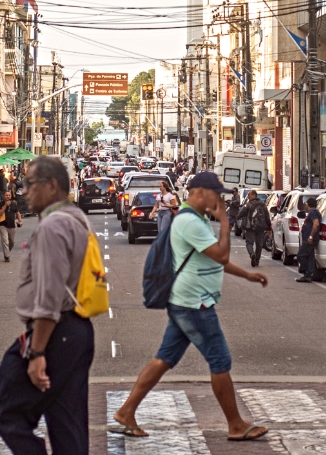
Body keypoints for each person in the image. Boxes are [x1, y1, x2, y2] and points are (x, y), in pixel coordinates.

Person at [111, 172, 269, 442]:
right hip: (195, 303)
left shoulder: (192, 219)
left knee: (164, 359)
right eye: (215, 193)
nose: (219, 199)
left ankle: (127, 411)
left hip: (185, 301)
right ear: (199, 193)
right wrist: (224, 224)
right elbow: (220, 253)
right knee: (219, 360)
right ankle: (235, 424)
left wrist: (247, 275)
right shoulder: (189, 221)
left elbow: (212, 259)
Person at [0, 156, 94, 454]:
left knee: (7, 410)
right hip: (74, 331)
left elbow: (50, 296)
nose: (24, 192)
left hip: (55, 331)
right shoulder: (75, 216)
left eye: (30, 184)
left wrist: (36, 351)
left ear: (51, 186)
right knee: (67, 424)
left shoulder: (53, 226)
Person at [237, 190, 270, 267]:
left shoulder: (248, 205)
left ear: (253, 195)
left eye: (249, 195)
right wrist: (269, 227)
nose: (248, 196)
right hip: (261, 228)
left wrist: (238, 217)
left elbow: (241, 214)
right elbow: (267, 217)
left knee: (249, 243)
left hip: (250, 227)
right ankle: (257, 260)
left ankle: (252, 254)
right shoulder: (263, 205)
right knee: (259, 244)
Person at [296, 197, 323, 282]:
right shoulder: (314, 212)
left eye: (306, 204)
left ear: (308, 204)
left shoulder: (313, 212)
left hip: (310, 238)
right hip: (309, 238)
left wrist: (311, 236)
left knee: (301, 255)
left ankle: (307, 271)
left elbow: (316, 224)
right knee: (310, 257)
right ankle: (308, 276)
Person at [0, 190, 23, 262]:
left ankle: (7, 252)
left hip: (12, 225)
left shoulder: (14, 204)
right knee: (5, 241)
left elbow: (17, 213)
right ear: (3, 196)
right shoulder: (0, 204)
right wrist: (5, 205)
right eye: (6, 195)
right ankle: (7, 256)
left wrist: (20, 220)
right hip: (3, 225)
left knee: (12, 242)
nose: (8, 196)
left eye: (9, 195)